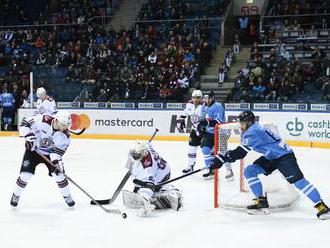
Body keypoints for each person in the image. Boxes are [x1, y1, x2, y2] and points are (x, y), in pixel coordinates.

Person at [210, 110, 330, 219]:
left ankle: (322, 207)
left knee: (299, 182)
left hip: (284, 157)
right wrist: (222, 158)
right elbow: (239, 152)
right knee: (249, 171)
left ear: (249, 122)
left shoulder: (254, 131)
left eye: (243, 123)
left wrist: (221, 159)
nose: (241, 126)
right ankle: (261, 201)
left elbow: (240, 153)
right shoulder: (253, 128)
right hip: (271, 156)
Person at [10, 111, 75, 208]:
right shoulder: (43, 120)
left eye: (67, 125)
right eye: (63, 125)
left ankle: (67, 196)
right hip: (33, 151)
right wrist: (28, 137)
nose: (65, 128)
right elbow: (25, 123)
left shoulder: (65, 136)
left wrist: (56, 163)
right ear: (57, 121)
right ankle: (16, 195)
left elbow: (57, 153)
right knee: (25, 175)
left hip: (49, 154)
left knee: (59, 176)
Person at [123, 140, 182, 216]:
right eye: (133, 154)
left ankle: (171, 190)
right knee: (140, 179)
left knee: (150, 187)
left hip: (162, 174)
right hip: (160, 167)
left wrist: (145, 198)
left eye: (137, 155)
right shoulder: (144, 147)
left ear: (144, 154)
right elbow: (147, 144)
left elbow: (148, 184)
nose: (134, 157)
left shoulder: (148, 167)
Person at [198, 91, 233, 180]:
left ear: (212, 98)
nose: (205, 100)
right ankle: (211, 170)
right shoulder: (203, 106)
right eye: (204, 98)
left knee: (223, 151)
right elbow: (202, 119)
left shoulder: (218, 106)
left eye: (207, 98)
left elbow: (218, 122)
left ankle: (229, 171)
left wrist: (207, 122)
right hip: (210, 132)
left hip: (222, 132)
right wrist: (200, 127)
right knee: (205, 150)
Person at [176, 90, 204, 173]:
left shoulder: (205, 106)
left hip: (204, 131)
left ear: (201, 98)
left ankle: (211, 168)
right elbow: (184, 114)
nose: (196, 99)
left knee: (207, 150)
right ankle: (190, 166)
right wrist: (180, 119)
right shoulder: (190, 105)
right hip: (194, 130)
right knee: (192, 149)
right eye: (194, 97)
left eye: (198, 98)